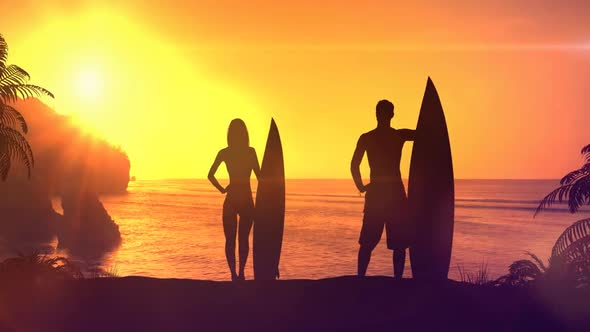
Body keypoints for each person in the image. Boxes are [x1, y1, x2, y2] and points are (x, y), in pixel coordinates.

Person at [351, 99, 415, 279]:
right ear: (392, 114)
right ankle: (398, 281)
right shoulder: (399, 136)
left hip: (376, 193)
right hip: (395, 194)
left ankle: (360, 278)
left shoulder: (367, 138)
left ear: (376, 114)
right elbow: (424, 134)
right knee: (399, 244)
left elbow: (354, 165)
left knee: (367, 243)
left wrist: (361, 186)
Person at [208, 119, 260, 281]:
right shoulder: (250, 152)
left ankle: (233, 274)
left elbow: (210, 175)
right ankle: (241, 273)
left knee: (230, 240)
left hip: (231, 200)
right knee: (243, 239)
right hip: (246, 201)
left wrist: (223, 189)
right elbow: (261, 178)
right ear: (245, 134)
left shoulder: (225, 152)